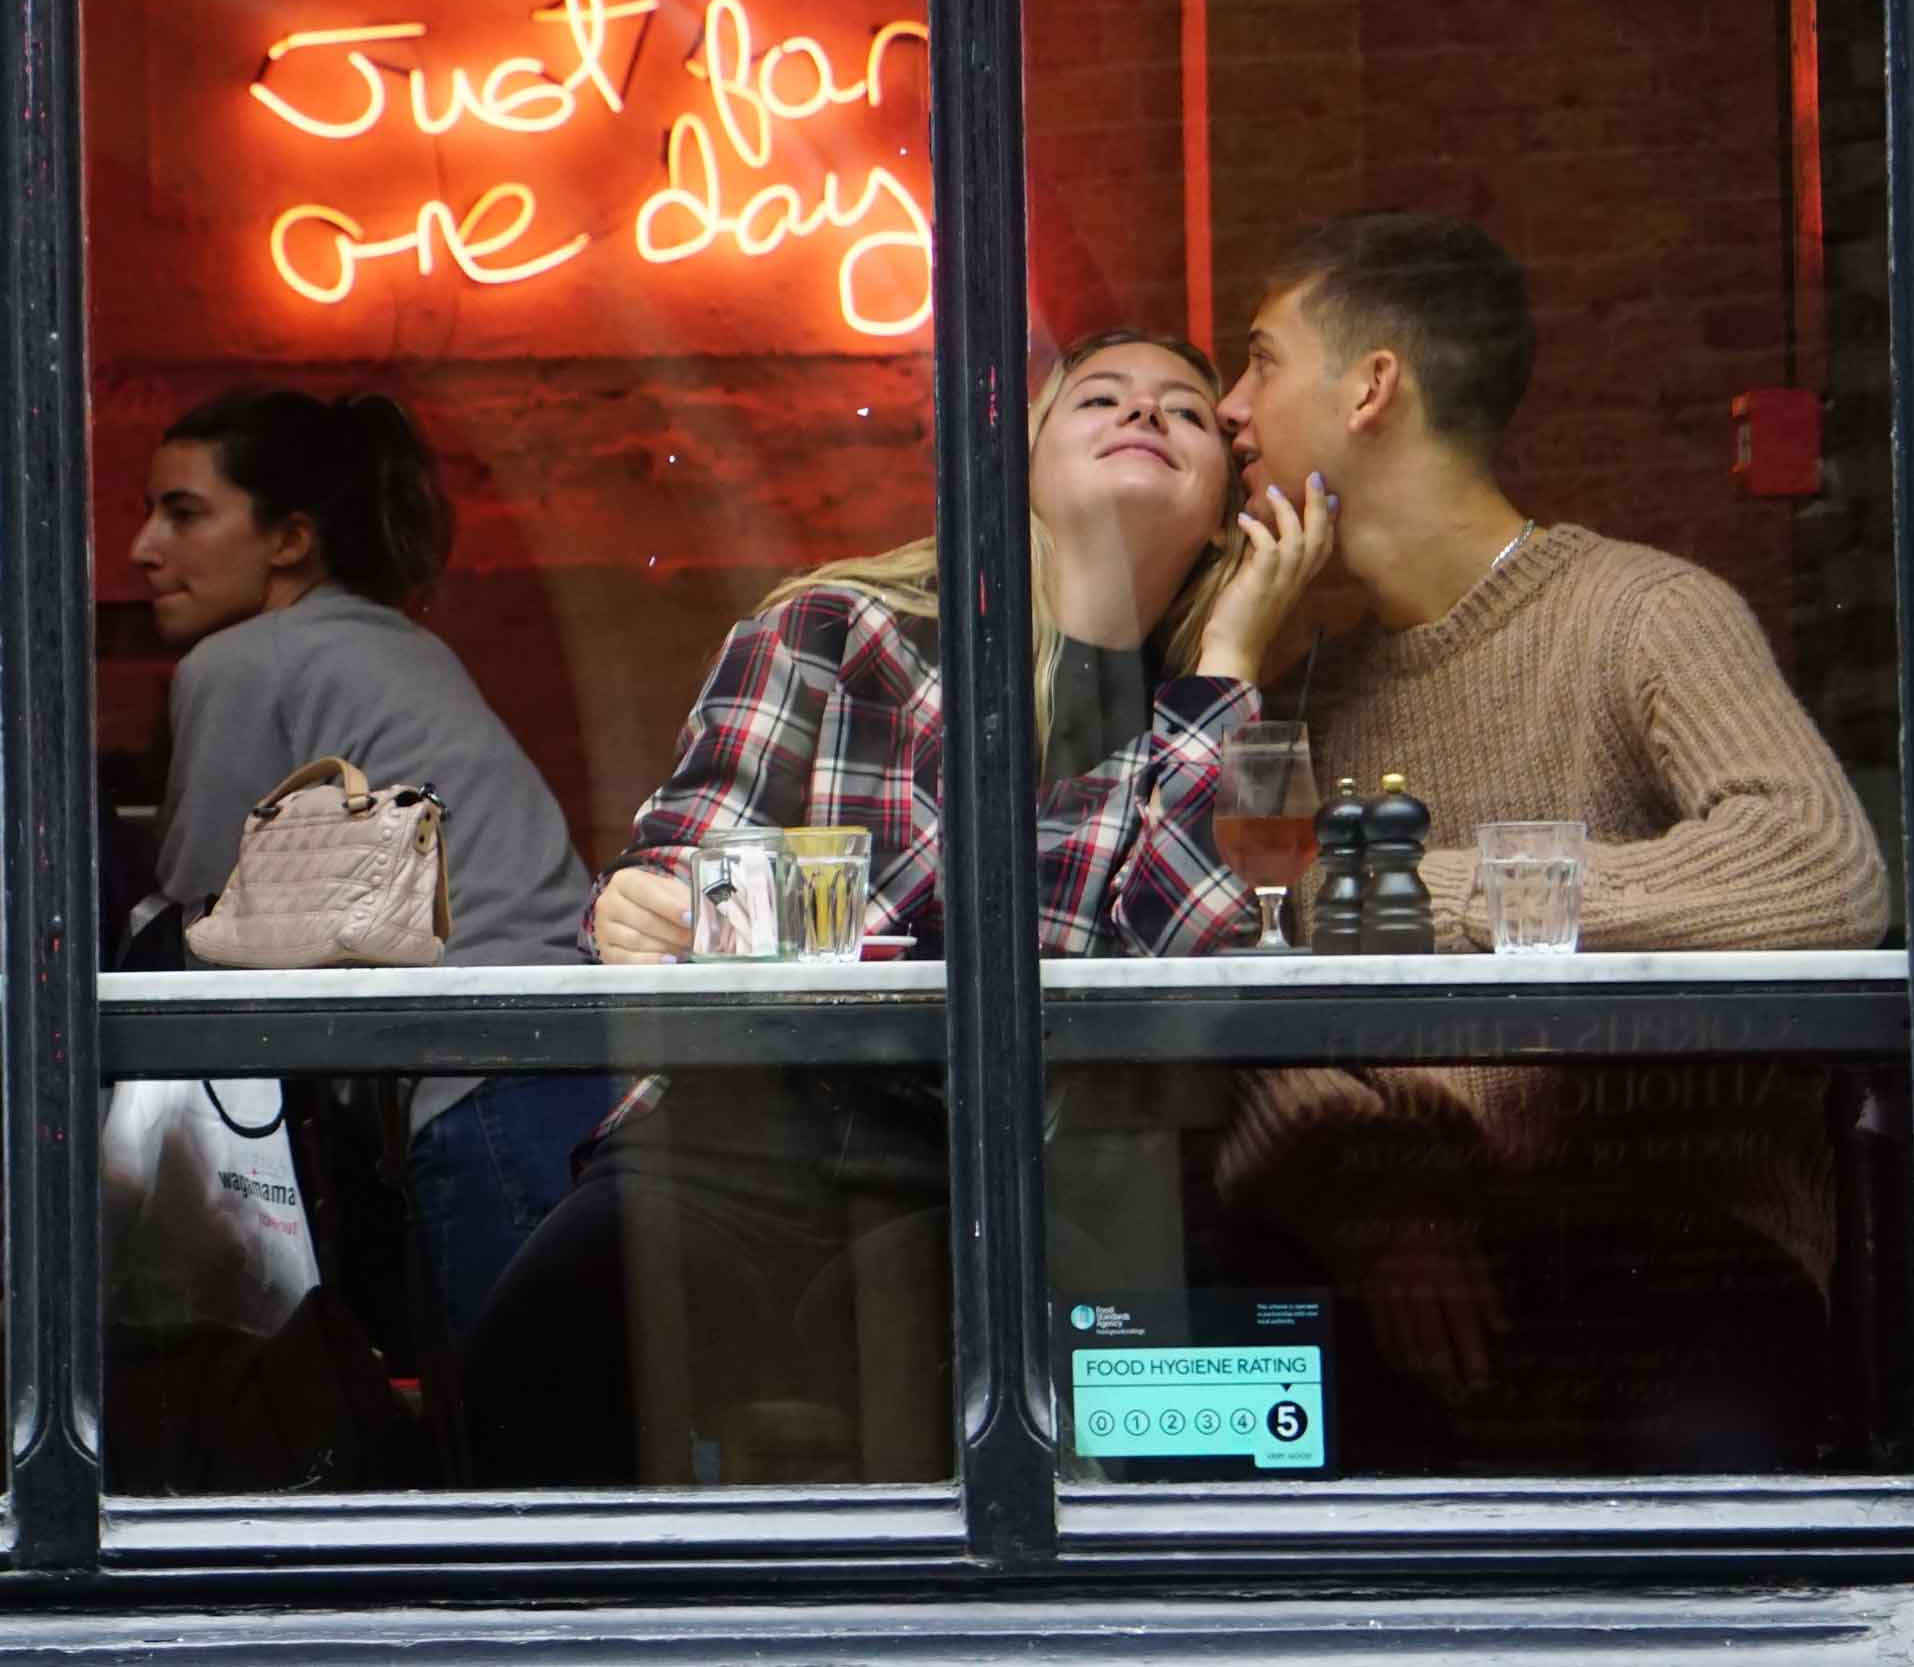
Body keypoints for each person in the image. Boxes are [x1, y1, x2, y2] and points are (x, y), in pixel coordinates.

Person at [463, 329, 1333, 1485]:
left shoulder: (1205, 710)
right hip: (745, 1127)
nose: (1144, 415)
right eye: (1101, 397)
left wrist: (1225, 661)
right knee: (536, 1349)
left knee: (1037, 1418)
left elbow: (1204, 957)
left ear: (1227, 509)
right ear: (1018, 460)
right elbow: (685, 855)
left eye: (1183, 410)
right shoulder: (836, 630)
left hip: (1021, 1172)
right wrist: (643, 906)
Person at [1203, 210, 1891, 1474]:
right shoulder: (1298, 695)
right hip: (1394, 1257)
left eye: (1257, 359)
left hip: (1678, 1253)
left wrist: (1397, 890)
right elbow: (1223, 1001)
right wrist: (1379, 1209)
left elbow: (1817, 864)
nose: (1230, 408)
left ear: (1370, 386)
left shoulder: (1641, 613)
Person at [129, 386, 616, 1343]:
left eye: (184, 513)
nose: (146, 547)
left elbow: (192, 938)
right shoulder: (401, 647)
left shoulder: (243, 662)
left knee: (508, 1451)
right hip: (573, 1064)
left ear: (289, 539)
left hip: (474, 1086)